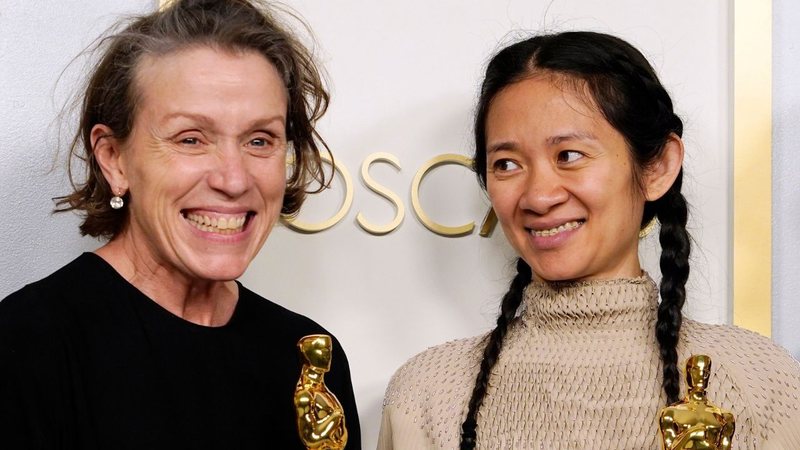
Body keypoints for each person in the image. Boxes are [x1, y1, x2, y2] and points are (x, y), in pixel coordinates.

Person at [378, 31, 800, 449]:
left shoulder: (761, 383)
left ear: (657, 168)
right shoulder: (427, 394)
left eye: (569, 156)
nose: (539, 196)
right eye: (506, 163)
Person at [0, 1, 361, 448]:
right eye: (191, 139)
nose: (233, 178)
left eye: (259, 139)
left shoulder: (308, 357)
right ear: (113, 159)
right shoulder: (24, 347)